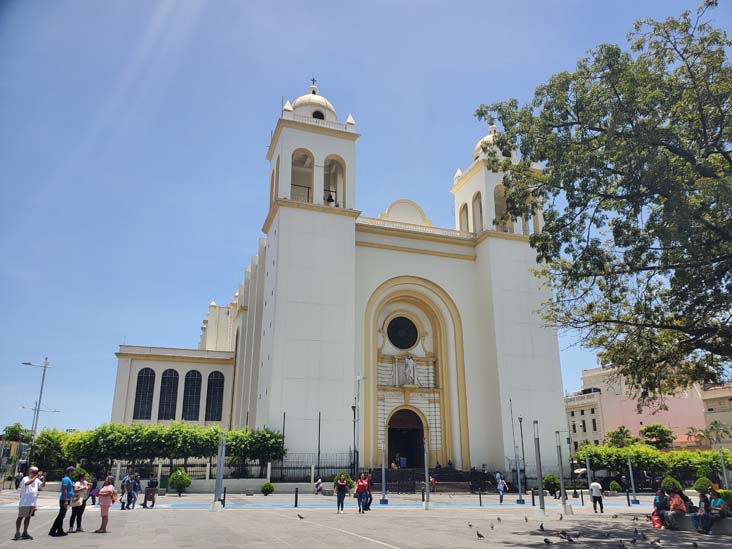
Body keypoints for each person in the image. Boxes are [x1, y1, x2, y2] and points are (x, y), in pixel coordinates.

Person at [14, 466, 45, 540]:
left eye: (36, 472)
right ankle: (17, 532)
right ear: (30, 472)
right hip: (24, 502)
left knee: (28, 518)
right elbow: (27, 483)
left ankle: (25, 532)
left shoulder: (37, 480)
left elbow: (42, 485)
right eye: (34, 472)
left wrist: (44, 478)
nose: (35, 473)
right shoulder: (25, 478)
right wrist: (36, 476)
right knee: (20, 517)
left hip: (32, 503)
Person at [49, 466, 75, 537]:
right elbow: (65, 490)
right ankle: (53, 530)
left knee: (62, 516)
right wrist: (66, 500)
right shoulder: (66, 479)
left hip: (67, 499)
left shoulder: (69, 479)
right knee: (61, 516)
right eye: (73, 471)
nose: (74, 472)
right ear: (70, 471)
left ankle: (60, 530)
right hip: (64, 499)